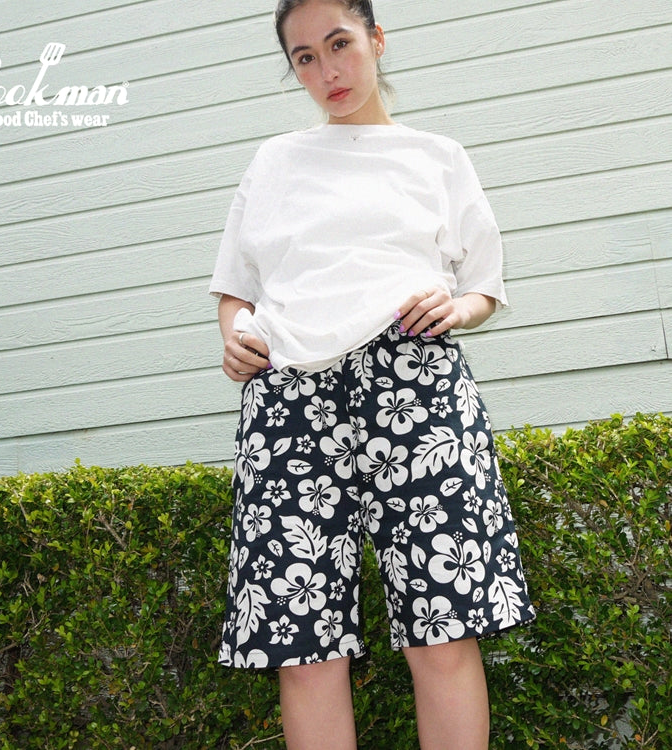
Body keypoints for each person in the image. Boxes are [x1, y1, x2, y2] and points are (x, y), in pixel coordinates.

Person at [208, 1, 535, 747]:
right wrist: (234, 339)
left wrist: (458, 307)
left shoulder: (437, 157)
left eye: (340, 44)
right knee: (303, 647)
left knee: (444, 631)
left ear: (377, 40)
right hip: (290, 397)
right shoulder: (275, 162)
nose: (327, 71)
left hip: (415, 382)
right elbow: (236, 288)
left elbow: (483, 286)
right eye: (304, 58)